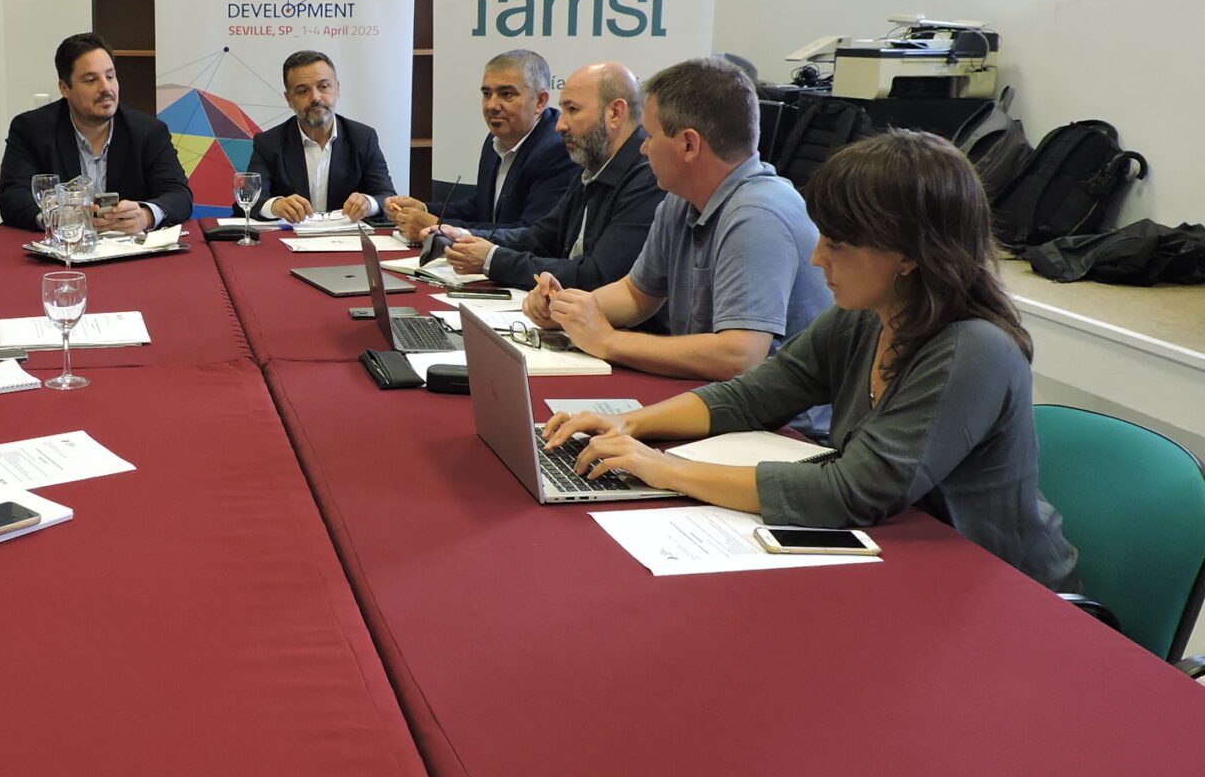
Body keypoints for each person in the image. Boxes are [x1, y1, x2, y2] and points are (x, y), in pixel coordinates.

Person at [543, 131, 1079, 590]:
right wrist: (628, 423)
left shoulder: (972, 349)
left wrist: (666, 468)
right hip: (901, 561)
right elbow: (752, 395)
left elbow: (848, 492)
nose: (817, 255)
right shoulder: (869, 314)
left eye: (839, 243)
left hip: (995, 591)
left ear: (911, 255)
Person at [540, 55, 834, 425]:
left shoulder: (758, 214)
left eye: (649, 137)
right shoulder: (681, 200)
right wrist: (567, 310)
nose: (643, 149)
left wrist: (608, 341)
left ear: (689, 145)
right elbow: (636, 294)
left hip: (784, 432)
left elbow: (738, 356)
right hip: (719, 405)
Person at [426, 60, 661, 293]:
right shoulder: (593, 164)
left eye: (572, 110)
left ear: (615, 113)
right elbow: (541, 237)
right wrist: (465, 236)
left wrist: (492, 260)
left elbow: (597, 276)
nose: (560, 125)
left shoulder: (649, 178)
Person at [0, 33, 193, 232]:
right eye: (91, 80)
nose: (106, 88)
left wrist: (146, 216)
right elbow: (12, 196)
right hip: (64, 252)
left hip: (128, 253)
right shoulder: (31, 129)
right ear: (65, 88)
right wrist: (57, 218)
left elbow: (178, 194)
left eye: (110, 76)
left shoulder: (148, 131)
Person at [386, 50, 577, 238]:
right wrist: (425, 208)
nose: (491, 105)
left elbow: (531, 233)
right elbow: (483, 207)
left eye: (506, 94)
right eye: (487, 93)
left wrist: (441, 226)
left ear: (540, 101)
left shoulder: (558, 149)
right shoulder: (495, 139)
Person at [246, 50, 396, 223]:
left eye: (323, 87)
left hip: (347, 243)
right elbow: (249, 200)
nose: (315, 98)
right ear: (289, 99)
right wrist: (275, 206)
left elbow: (387, 197)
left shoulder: (363, 138)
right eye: (303, 91)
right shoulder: (269, 143)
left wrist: (369, 204)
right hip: (289, 242)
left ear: (337, 88)